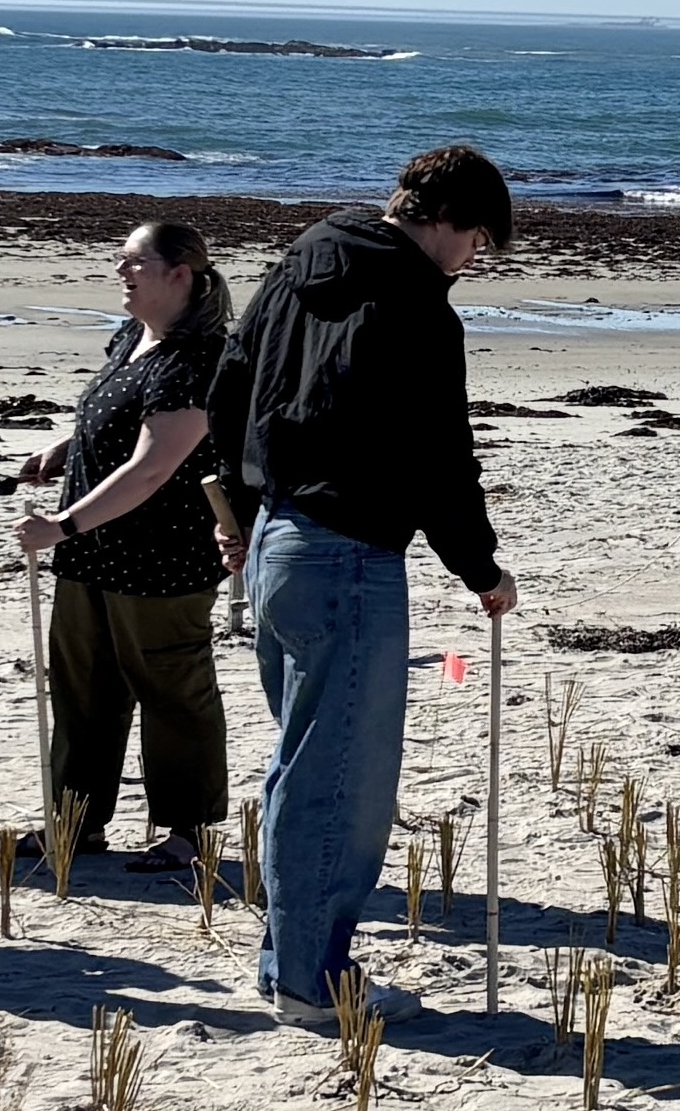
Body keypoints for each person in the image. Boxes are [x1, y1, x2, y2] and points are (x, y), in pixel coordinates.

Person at [211, 143, 519, 1023]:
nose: (471, 261)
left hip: (278, 540)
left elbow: (229, 388)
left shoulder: (301, 261)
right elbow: (439, 460)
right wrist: (482, 568)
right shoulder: (417, 305)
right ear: (446, 219)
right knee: (337, 778)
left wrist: (240, 505)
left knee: (301, 763)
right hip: (345, 554)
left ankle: (290, 963)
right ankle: (312, 983)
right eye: (476, 241)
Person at [16, 222, 237, 872]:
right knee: (83, 692)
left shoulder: (197, 358)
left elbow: (152, 467)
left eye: (134, 261)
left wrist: (61, 526)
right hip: (92, 554)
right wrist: (67, 448)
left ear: (180, 275)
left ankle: (188, 830)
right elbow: (119, 418)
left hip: (160, 559)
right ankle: (76, 822)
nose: (120, 271)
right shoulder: (130, 337)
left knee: (173, 693)